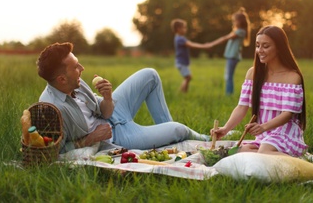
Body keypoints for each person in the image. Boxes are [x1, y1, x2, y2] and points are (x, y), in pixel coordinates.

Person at [37, 42, 209, 154]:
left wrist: (107, 97)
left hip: (113, 114)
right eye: (75, 67)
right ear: (61, 79)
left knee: (150, 75)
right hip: (119, 136)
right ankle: (207, 139)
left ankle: (168, 136)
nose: (82, 68)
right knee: (178, 129)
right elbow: (53, 153)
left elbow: (104, 112)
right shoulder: (50, 110)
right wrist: (91, 139)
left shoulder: (76, 83)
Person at [211, 25, 307, 157]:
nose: (260, 50)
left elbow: (288, 114)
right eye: (257, 45)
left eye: (266, 46)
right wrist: (225, 129)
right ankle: (281, 156)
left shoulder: (292, 77)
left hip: (285, 131)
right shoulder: (253, 74)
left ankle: (304, 163)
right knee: (242, 152)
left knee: (264, 152)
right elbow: (242, 107)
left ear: (279, 47)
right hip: (265, 135)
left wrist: (264, 127)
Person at [208, 7, 251, 95]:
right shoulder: (237, 31)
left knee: (229, 77)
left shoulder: (240, 31)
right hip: (231, 56)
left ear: (240, 21)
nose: (233, 22)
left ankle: (229, 94)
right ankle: (229, 93)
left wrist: (211, 44)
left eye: (234, 21)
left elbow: (224, 38)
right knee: (228, 76)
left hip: (233, 56)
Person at [171, 18, 211, 92]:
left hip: (182, 62)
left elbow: (191, 43)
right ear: (178, 29)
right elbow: (192, 45)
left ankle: (183, 92)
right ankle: (181, 92)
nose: (186, 29)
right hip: (181, 62)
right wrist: (204, 46)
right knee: (188, 77)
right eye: (184, 27)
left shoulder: (180, 38)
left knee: (188, 77)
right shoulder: (180, 39)